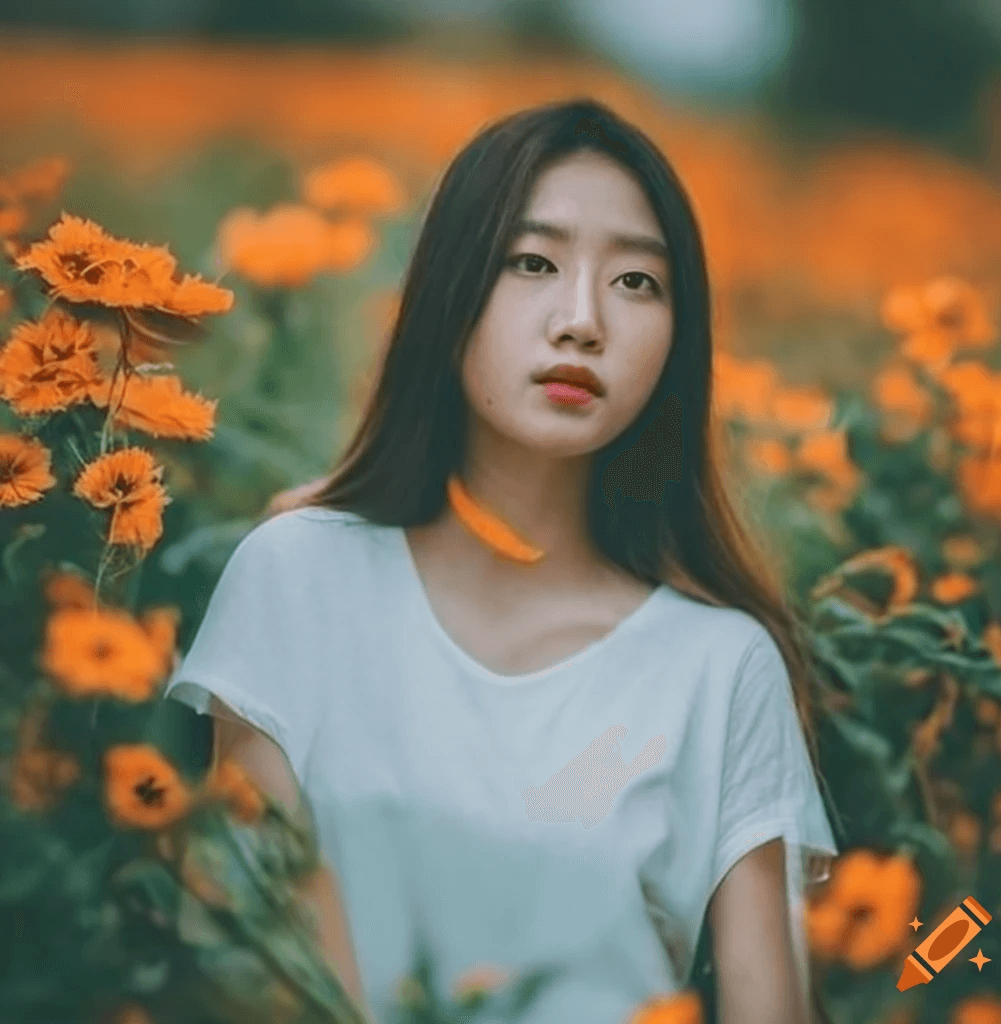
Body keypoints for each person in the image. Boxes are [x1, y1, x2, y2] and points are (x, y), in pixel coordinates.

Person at [164, 98, 842, 1024]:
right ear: (450, 290)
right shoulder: (300, 580)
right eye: (532, 263)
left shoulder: (721, 667)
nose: (582, 322)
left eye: (638, 282)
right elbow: (234, 951)